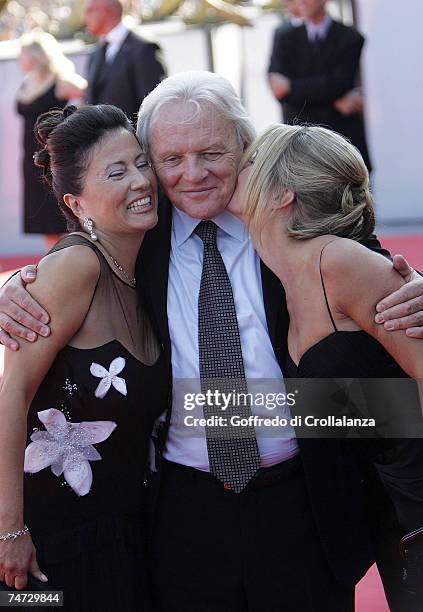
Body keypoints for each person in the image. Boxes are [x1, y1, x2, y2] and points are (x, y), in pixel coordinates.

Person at [1, 72, 423, 611]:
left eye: (211, 153)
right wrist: (17, 285)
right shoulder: (139, 239)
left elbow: (375, 267)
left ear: (247, 149)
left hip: (306, 503)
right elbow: (82, 247)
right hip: (181, 515)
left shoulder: (293, 222)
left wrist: (412, 287)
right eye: (170, 159)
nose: (192, 174)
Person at [227, 122, 423, 611]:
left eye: (250, 163)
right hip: (371, 505)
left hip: (412, 500)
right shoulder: (277, 271)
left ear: (280, 195)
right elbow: (351, 400)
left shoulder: (339, 261)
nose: (233, 167)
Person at [0, 104, 168, 609]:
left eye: (142, 163)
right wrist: (9, 530)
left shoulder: (147, 266)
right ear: (76, 203)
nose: (140, 181)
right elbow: (13, 393)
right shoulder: (76, 266)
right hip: (49, 551)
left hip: (124, 533)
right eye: (116, 172)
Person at [267, 0, 372, 170]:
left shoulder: (351, 38)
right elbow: (279, 90)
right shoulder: (283, 37)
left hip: (344, 149)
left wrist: (292, 87)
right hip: (301, 152)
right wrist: (334, 101)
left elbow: (340, 83)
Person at [16, 30, 87, 250]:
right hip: (31, 159)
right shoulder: (27, 84)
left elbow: (89, 94)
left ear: (36, 55)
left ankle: (73, 260)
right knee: (43, 220)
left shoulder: (60, 80)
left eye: (23, 54)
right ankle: (53, 260)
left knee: (61, 213)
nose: (19, 59)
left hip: (55, 157)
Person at [84, 0, 166, 123]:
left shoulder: (143, 47)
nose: (84, 17)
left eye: (89, 10)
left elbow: (154, 105)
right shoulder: (96, 53)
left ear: (103, 12)